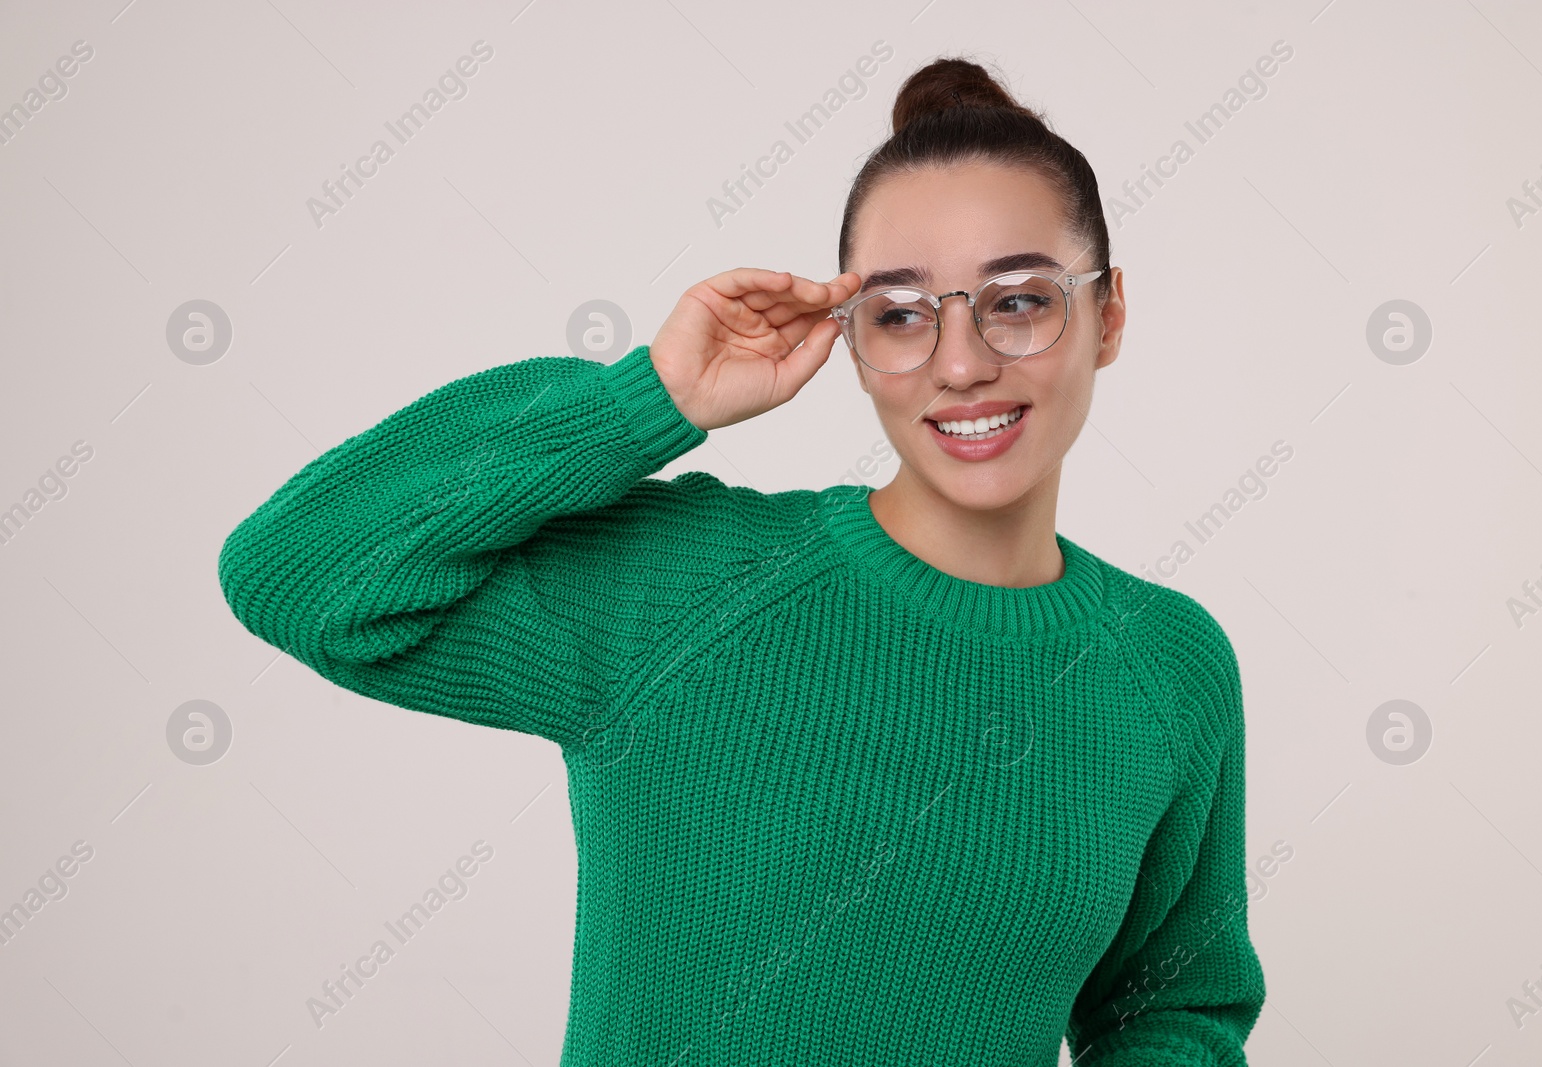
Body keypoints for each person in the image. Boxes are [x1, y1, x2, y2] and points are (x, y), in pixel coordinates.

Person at [218, 54, 1266, 1066]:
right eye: (899, 313)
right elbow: (298, 571)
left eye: (1020, 300)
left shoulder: (1167, 665)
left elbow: (1170, 1003)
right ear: (851, 341)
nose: (960, 361)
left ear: (1107, 315)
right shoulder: (690, 585)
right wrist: (643, 399)